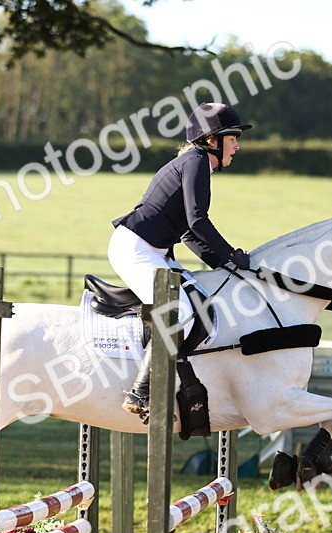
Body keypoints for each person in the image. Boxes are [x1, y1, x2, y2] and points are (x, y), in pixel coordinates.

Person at [107, 102, 253, 418]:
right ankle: (142, 393)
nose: (238, 145)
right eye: (233, 138)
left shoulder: (195, 162)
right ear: (213, 139)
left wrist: (223, 267)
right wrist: (231, 255)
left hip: (153, 250)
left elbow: (188, 233)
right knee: (180, 313)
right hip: (135, 249)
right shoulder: (196, 162)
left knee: (202, 303)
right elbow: (198, 221)